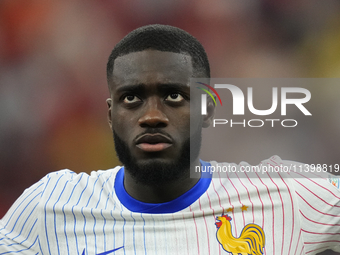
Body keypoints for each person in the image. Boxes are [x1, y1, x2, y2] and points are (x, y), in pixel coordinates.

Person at [0, 24, 339, 255]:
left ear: (207, 109)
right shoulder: (52, 206)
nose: (151, 116)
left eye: (173, 96)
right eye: (131, 98)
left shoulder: (287, 194)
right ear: (110, 114)